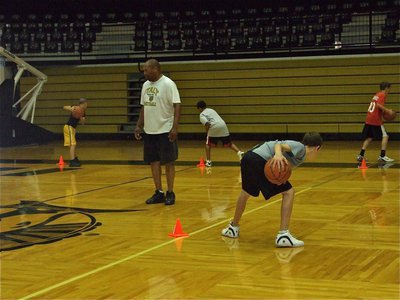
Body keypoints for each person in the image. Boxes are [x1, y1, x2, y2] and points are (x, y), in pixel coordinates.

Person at [221, 132, 323, 248]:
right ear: (317, 148)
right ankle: (283, 235)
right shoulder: (300, 148)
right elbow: (278, 144)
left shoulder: (299, 154)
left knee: (246, 192)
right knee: (289, 192)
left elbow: (283, 170)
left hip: (248, 158)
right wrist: (278, 154)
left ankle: (233, 228)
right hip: (259, 159)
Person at [134, 59, 181, 206]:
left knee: (168, 161)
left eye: (146, 70)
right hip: (150, 130)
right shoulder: (145, 85)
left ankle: (170, 192)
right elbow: (144, 107)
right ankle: (159, 191)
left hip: (165, 128)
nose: (144, 72)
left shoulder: (168, 84)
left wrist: (174, 127)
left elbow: (177, 105)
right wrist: (138, 125)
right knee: (153, 161)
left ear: (155, 69)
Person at [196, 100, 244, 167]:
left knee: (208, 144)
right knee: (229, 143)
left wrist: (207, 133)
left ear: (200, 108)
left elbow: (207, 124)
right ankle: (239, 152)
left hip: (214, 127)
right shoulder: (211, 110)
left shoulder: (202, 114)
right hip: (223, 125)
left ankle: (208, 162)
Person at [357, 82, 394, 163]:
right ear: (386, 88)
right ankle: (382, 156)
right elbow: (378, 105)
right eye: (389, 88)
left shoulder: (377, 94)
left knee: (369, 137)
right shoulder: (383, 95)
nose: (389, 90)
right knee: (385, 136)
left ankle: (361, 155)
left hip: (369, 117)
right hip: (375, 119)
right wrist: (388, 111)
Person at [63, 98, 87, 167]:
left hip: (72, 128)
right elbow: (64, 107)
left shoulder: (83, 112)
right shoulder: (75, 107)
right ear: (83, 104)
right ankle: (72, 161)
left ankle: (75, 159)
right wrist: (70, 109)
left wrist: (82, 119)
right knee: (73, 144)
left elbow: (83, 123)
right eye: (86, 104)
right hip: (68, 127)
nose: (87, 105)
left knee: (71, 145)